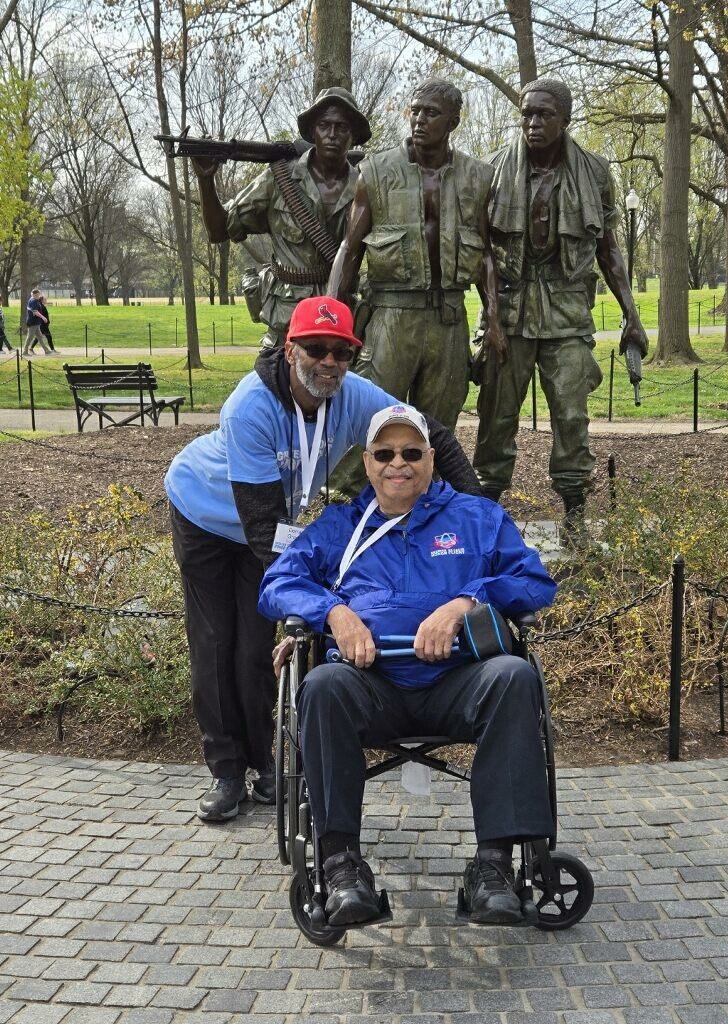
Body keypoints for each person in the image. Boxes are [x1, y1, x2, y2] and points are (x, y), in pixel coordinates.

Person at [165, 296, 481, 824]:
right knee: (220, 642)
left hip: (267, 523)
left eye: (342, 352)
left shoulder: (354, 396)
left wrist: (479, 514)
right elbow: (263, 528)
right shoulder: (251, 407)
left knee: (256, 651)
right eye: (316, 349)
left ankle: (266, 766)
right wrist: (310, 607)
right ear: (291, 350)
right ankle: (226, 771)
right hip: (207, 515)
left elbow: (434, 439)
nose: (329, 362)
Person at [259, 404, 557, 927]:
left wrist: (468, 600)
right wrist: (333, 611)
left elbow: (535, 582)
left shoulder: (477, 517)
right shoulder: (340, 526)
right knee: (322, 685)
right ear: (368, 463)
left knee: (514, 675)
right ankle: (341, 866)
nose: (399, 463)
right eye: (385, 453)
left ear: (431, 459)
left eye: (412, 452)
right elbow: (277, 583)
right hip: (370, 687)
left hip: (460, 683)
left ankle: (494, 867)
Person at [472, 77, 649, 538]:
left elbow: (609, 248)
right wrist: (489, 316)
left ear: (564, 119)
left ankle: (574, 516)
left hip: (568, 311)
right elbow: (480, 251)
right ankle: (485, 519)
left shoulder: (594, 172)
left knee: (572, 416)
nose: (531, 122)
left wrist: (631, 312)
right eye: (526, 113)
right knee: (496, 416)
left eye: (543, 114)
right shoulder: (490, 171)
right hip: (507, 313)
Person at [328, 77, 505, 434]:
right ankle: (353, 491)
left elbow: (486, 253)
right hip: (392, 314)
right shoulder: (376, 171)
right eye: (415, 111)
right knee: (371, 416)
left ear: (454, 121)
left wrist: (494, 319)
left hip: (449, 318)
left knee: (437, 426)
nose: (419, 119)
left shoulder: (478, 177)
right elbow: (350, 247)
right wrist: (331, 318)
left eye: (432, 113)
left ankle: (429, 489)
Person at [193, 88, 371, 355]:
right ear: (312, 132)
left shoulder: (367, 186)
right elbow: (219, 230)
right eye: (324, 126)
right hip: (286, 322)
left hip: (340, 322)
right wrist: (206, 181)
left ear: (353, 135)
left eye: (342, 127)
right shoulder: (279, 179)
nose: (332, 135)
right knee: (274, 393)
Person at [22, 288, 53, 356]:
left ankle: (46, 350)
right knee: (30, 337)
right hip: (33, 322)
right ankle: (25, 351)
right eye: (39, 294)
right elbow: (35, 312)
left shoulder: (35, 300)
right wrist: (43, 317)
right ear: (35, 294)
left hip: (36, 322)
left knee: (40, 337)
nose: (39, 295)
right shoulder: (33, 301)